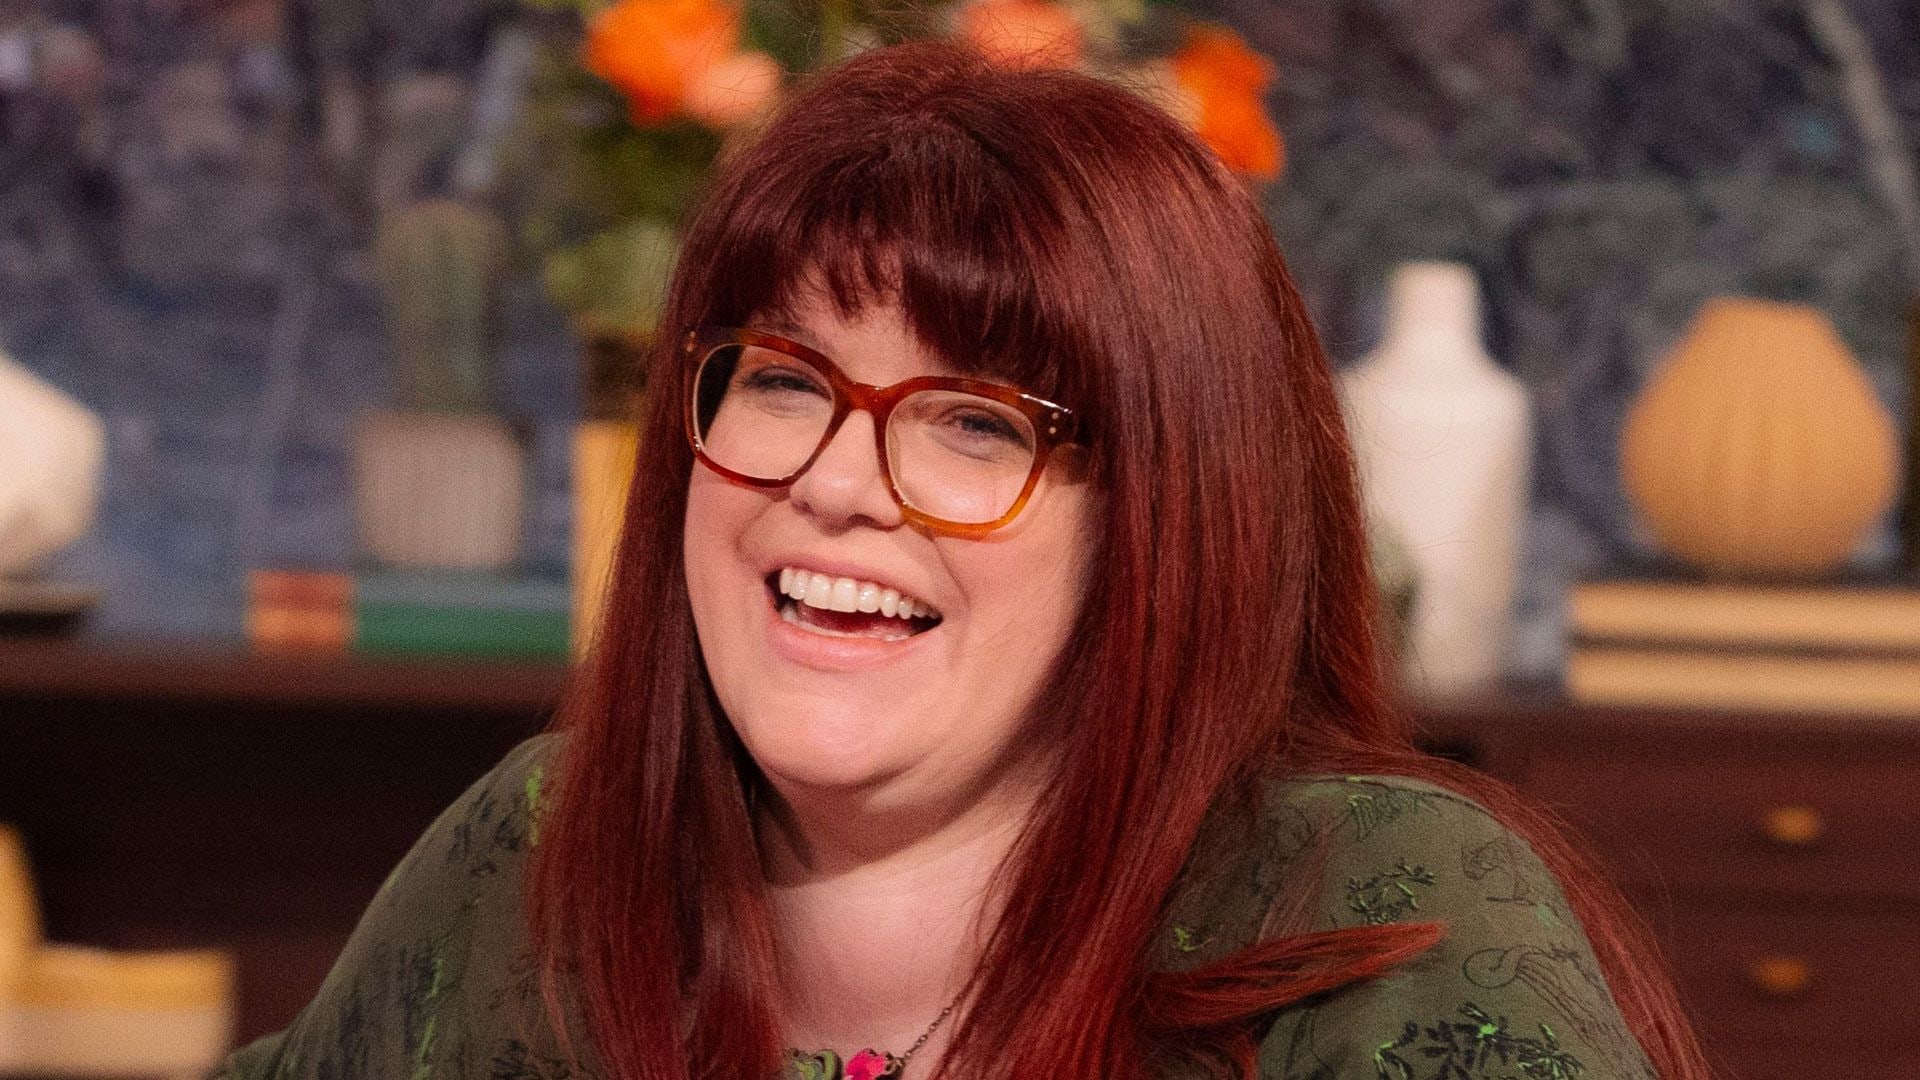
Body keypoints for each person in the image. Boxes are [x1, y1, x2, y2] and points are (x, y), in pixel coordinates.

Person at [212, 39, 1715, 1080]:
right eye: (784, 379)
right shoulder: (541, 854)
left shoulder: (1383, 916)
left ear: (1165, 524)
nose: (834, 483)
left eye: (976, 423)